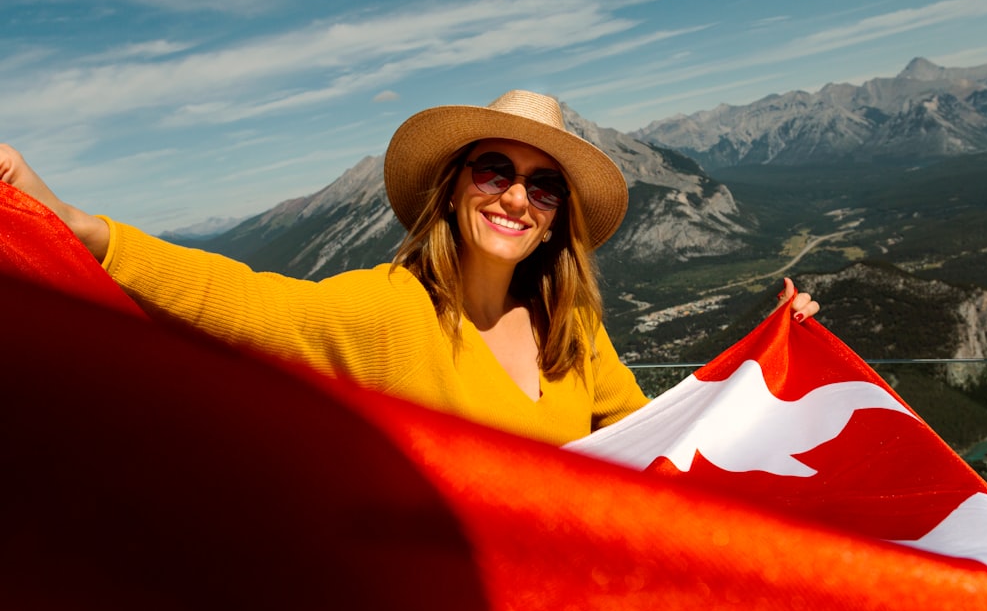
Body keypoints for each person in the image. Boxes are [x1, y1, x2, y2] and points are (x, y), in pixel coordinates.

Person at [0, 90, 818, 445]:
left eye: (542, 185)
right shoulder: (388, 312)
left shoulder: (572, 327)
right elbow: (242, 301)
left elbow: (654, 441)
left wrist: (770, 363)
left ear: (557, 217)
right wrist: (79, 226)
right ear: (455, 187)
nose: (515, 198)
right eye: (493, 170)